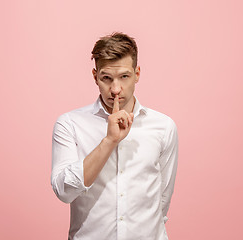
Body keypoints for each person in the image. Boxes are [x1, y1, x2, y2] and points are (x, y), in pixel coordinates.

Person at [51, 32, 178, 240]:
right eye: (106, 78)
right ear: (95, 76)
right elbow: (65, 192)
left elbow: (162, 199)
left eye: (124, 77)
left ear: (137, 74)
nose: (115, 89)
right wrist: (109, 141)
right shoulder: (70, 124)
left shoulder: (163, 127)